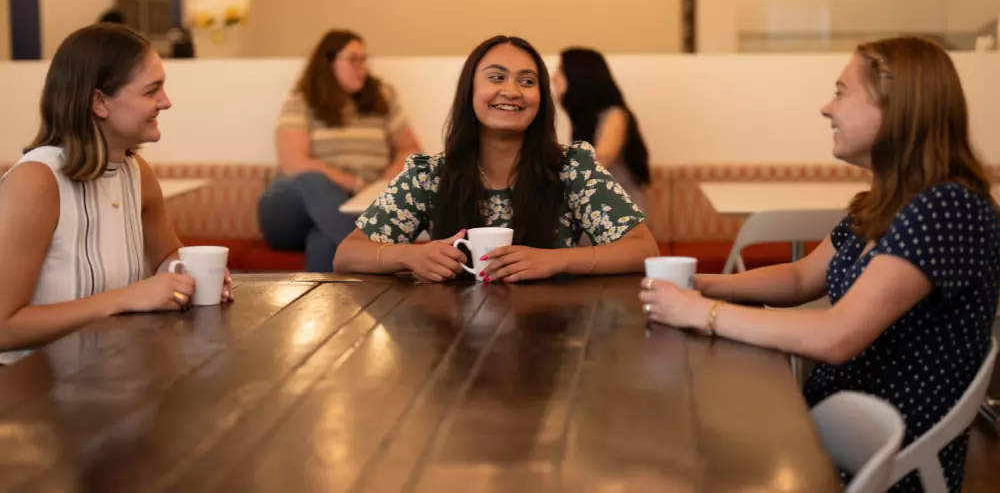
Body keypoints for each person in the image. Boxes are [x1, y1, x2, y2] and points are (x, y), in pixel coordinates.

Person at [639, 37, 999, 493]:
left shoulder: (949, 208)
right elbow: (800, 276)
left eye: (842, 92)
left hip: (883, 461)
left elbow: (835, 338)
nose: (827, 108)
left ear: (899, 106)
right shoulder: (883, 203)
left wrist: (700, 312)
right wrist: (698, 283)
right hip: (826, 428)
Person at [333, 35, 659, 282]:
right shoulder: (429, 175)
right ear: (470, 91)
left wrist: (556, 260)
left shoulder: (572, 168)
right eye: (496, 77)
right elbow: (348, 253)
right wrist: (408, 256)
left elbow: (642, 249)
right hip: (449, 341)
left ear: (541, 99)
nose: (512, 90)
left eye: (527, 81)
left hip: (554, 337)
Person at [0, 23, 234, 365]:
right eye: (151, 90)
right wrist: (124, 298)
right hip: (31, 394)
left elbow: (166, 257)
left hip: (109, 376)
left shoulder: (136, 172)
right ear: (99, 102)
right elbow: (3, 328)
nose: (166, 102)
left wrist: (192, 274)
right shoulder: (36, 181)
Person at [258, 30, 420, 272]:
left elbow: (410, 149)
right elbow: (293, 163)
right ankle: (378, 251)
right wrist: (353, 183)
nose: (361, 67)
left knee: (322, 240)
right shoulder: (302, 102)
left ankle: (326, 309)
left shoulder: (382, 98)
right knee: (312, 180)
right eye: (353, 59)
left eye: (364, 60)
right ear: (329, 62)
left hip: (338, 211)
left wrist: (383, 183)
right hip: (289, 210)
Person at [553, 47, 651, 210]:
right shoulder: (583, 119)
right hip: (597, 206)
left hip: (619, 211)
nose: (554, 78)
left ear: (578, 76)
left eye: (560, 71)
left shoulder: (614, 115)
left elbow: (599, 161)